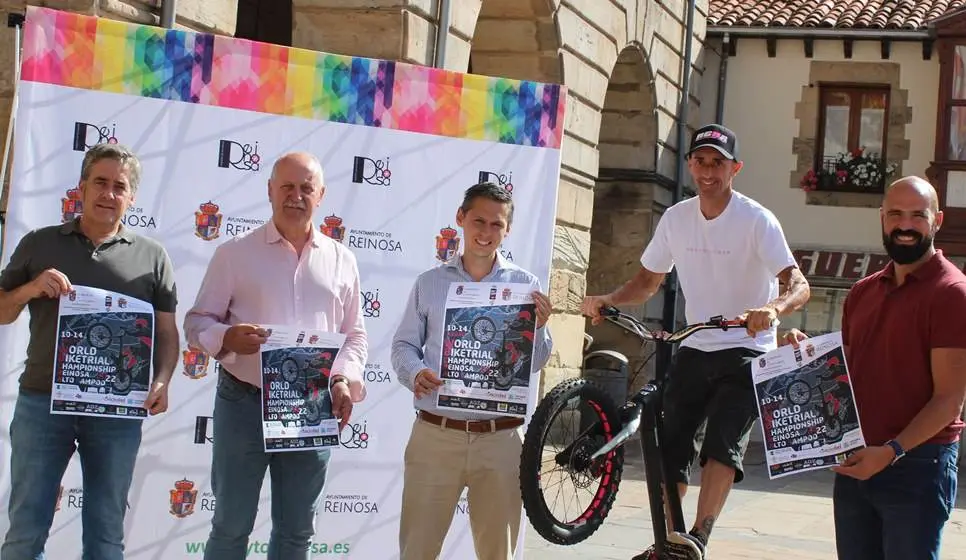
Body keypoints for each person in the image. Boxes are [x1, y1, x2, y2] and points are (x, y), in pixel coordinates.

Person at [581, 124, 811, 560]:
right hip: (695, 343)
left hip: (748, 348)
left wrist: (774, 310)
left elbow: (797, 282)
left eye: (718, 163)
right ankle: (674, 541)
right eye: (701, 161)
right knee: (670, 446)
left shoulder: (756, 219)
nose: (708, 171)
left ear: (735, 168)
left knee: (722, 443)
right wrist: (609, 300)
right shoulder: (676, 218)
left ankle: (700, 536)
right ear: (689, 165)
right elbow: (649, 280)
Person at [183, 152, 367, 560]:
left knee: (296, 532)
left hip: (311, 406)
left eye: (306, 188)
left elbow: (354, 336)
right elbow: (196, 323)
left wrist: (341, 377)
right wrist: (226, 336)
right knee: (231, 527)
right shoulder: (234, 253)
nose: (296, 196)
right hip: (244, 402)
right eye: (287, 186)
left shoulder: (343, 260)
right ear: (269, 190)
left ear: (321, 195)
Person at [0, 143, 180, 559]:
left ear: (131, 198)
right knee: (26, 529)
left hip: (116, 413)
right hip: (42, 404)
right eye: (100, 182)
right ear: (81, 187)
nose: (108, 193)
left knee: (105, 534)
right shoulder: (39, 243)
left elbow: (167, 333)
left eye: (119, 186)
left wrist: (162, 379)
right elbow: (3, 311)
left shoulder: (153, 257)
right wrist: (30, 288)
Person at [779, 176, 965, 560]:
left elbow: (949, 400)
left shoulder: (952, 294)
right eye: (895, 213)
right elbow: (846, 371)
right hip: (858, 460)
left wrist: (892, 451)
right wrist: (806, 355)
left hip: (917, 465)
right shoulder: (863, 291)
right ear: (882, 217)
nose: (905, 225)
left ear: (937, 220)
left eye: (918, 215)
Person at [391, 182, 554, 560]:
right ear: (461, 219)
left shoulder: (525, 286)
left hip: (500, 440)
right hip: (436, 434)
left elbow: (535, 364)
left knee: (498, 554)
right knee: (417, 551)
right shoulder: (429, 283)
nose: (486, 232)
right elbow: (402, 346)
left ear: (507, 230)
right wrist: (415, 373)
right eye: (478, 220)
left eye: (496, 224)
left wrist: (540, 328)